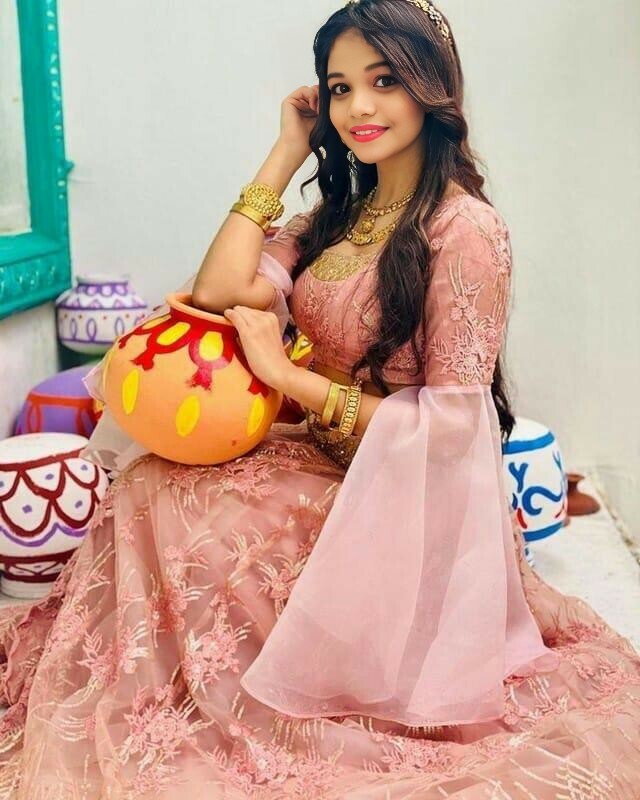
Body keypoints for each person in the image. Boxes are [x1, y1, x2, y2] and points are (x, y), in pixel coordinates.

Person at [1, 0, 639, 796]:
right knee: (154, 482)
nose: (359, 106)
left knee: (205, 528)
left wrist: (289, 378)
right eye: (340, 88)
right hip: (329, 460)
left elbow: (453, 431)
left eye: (385, 80)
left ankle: (224, 700)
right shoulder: (337, 218)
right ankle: (171, 696)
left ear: (433, 87)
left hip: (413, 498)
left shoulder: (466, 230)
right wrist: (284, 150)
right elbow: (218, 290)